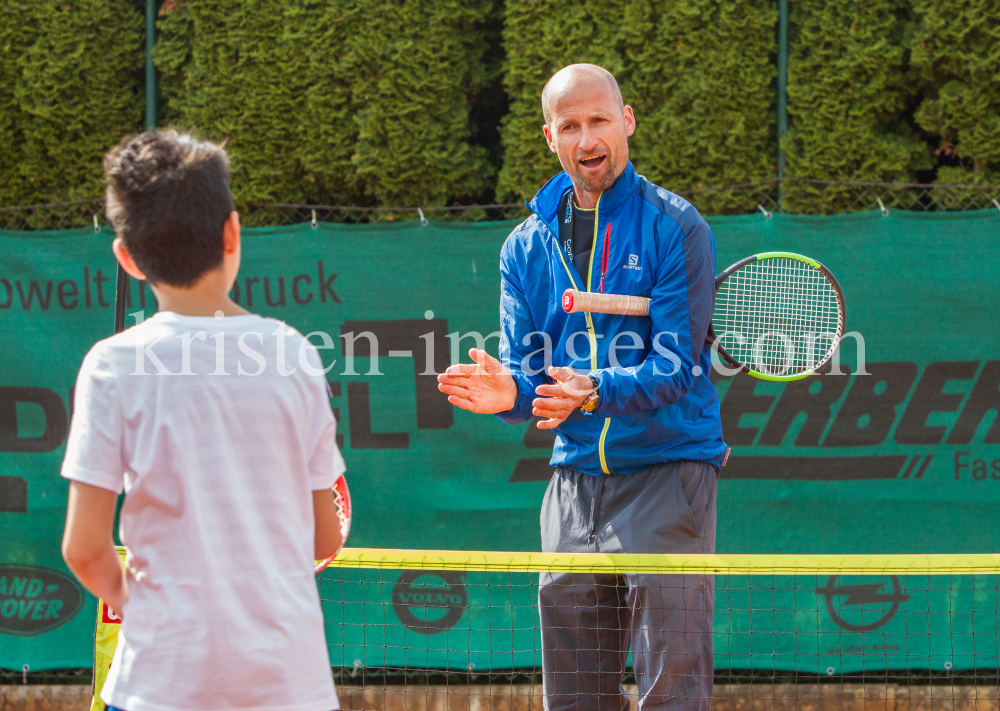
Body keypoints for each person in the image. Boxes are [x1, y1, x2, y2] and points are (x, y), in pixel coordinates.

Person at [437, 64, 727, 710]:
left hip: (669, 471)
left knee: (670, 692)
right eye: (570, 124)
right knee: (573, 698)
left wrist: (595, 389)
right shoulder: (523, 248)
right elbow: (530, 377)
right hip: (571, 485)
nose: (587, 136)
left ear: (626, 122)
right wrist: (507, 393)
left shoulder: (677, 226)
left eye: (599, 119)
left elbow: (676, 366)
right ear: (550, 137)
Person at [60, 130, 345, 711]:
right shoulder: (295, 354)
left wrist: (146, 611)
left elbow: (85, 550)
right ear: (233, 231)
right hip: (290, 686)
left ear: (127, 258)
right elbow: (324, 536)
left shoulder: (110, 366)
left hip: (155, 683)